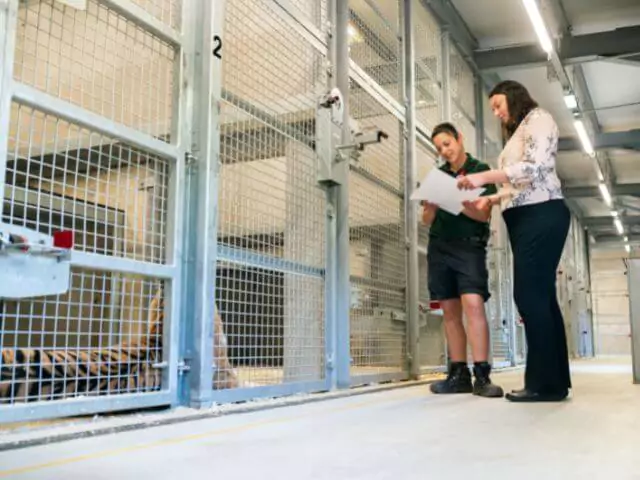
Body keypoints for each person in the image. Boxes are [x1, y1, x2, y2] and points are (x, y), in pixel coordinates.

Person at [457, 80, 571, 403]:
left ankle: (543, 384)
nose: (496, 112)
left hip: (542, 215)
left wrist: (483, 177)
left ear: (514, 95)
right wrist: (492, 200)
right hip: (527, 218)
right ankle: (554, 381)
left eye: (497, 104)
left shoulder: (539, 119)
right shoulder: (520, 129)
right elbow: (518, 184)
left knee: (529, 296)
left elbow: (536, 168)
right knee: (542, 298)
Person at [422, 122, 503, 398]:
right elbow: (426, 220)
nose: (444, 151)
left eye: (447, 144)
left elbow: (483, 215)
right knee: (449, 311)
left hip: (469, 248)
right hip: (439, 247)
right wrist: (432, 205)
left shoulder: (481, 170)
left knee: (473, 305)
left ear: (459, 139)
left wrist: (460, 202)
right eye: (439, 148)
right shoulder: (438, 175)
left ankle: (482, 375)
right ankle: (458, 375)